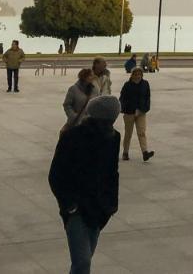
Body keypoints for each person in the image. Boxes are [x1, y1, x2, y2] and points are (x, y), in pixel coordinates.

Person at [49, 93, 121, 274]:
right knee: (82, 262)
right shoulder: (72, 137)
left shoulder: (113, 138)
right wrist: (69, 205)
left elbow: (112, 173)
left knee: (85, 258)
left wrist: (111, 204)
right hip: (77, 209)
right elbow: (56, 175)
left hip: (100, 208)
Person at [118, 67, 154, 162]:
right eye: (136, 74)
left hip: (141, 112)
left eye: (139, 74)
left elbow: (148, 97)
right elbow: (122, 98)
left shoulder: (145, 84)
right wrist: (123, 108)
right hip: (129, 112)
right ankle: (125, 152)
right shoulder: (127, 85)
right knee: (128, 134)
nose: (138, 76)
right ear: (132, 75)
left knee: (141, 132)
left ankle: (145, 152)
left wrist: (146, 108)